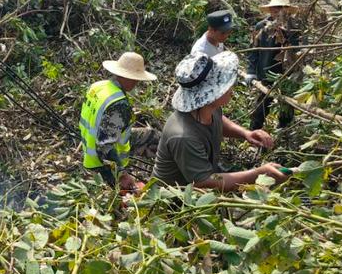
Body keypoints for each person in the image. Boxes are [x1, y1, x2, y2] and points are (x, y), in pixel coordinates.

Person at [152, 52, 289, 191]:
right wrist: (257, 174)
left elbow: (219, 120)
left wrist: (245, 133)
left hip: (202, 180)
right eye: (225, 84)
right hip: (173, 201)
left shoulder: (208, 109)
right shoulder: (183, 136)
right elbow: (206, 181)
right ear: (211, 96)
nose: (231, 88)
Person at [79, 52, 160, 192]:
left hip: (90, 149)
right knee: (129, 196)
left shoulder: (98, 86)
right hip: (101, 164)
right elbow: (104, 146)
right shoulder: (119, 105)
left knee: (152, 136)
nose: (137, 82)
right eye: (135, 78)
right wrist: (122, 174)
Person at [244, 0, 301, 130]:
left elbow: (297, 52)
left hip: (286, 75)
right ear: (270, 9)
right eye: (274, 8)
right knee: (261, 107)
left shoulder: (293, 28)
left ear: (287, 9)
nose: (277, 11)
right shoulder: (261, 26)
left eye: (281, 8)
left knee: (286, 108)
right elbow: (254, 50)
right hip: (266, 73)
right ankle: (253, 134)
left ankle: (283, 133)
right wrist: (251, 72)